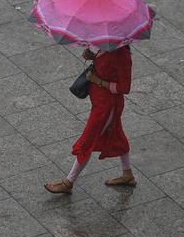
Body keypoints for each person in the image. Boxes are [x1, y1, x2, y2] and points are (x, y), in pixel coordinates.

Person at [45, 45, 135, 194]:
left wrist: (97, 81)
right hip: (100, 104)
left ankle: (68, 182)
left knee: (87, 141)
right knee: (117, 135)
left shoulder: (122, 56)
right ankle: (127, 175)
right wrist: (93, 57)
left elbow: (124, 87)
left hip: (107, 108)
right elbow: (107, 66)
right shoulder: (107, 47)